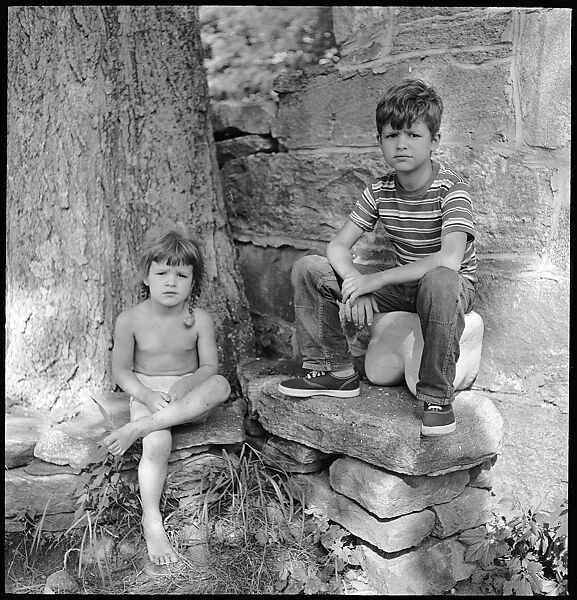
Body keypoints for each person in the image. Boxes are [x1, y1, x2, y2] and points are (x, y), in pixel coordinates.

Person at [278, 79, 477, 437]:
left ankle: (436, 398)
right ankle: (334, 371)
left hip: (450, 286)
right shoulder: (379, 190)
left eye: (414, 135)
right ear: (379, 141)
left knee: (441, 281)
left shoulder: (452, 189)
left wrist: (376, 280)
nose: (401, 144)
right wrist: (357, 283)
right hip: (404, 286)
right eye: (391, 136)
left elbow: (449, 260)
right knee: (310, 269)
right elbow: (337, 248)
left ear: (435, 140)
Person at [103, 229, 231, 566]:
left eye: (181, 274)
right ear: (146, 277)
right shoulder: (129, 320)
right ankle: (152, 520)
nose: (170, 281)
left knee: (221, 385)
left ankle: (140, 427)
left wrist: (190, 382)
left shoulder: (200, 320)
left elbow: (209, 367)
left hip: (188, 398)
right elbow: (121, 372)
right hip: (149, 395)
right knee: (157, 444)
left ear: (193, 282)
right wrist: (145, 393)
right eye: (162, 272)